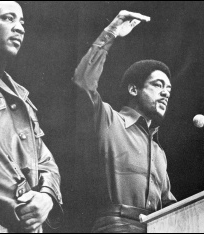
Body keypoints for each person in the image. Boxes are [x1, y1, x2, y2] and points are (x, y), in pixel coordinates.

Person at [72, 10, 177, 233]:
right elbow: (83, 81)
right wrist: (110, 33)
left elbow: (171, 205)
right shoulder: (109, 119)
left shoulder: (159, 152)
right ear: (133, 89)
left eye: (168, 88)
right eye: (158, 85)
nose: (166, 93)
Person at [0, 1, 63, 232]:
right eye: (8, 18)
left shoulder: (20, 95)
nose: (20, 28)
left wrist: (46, 196)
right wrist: (27, 202)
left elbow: (44, 159)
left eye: (22, 22)